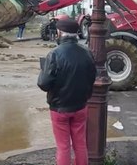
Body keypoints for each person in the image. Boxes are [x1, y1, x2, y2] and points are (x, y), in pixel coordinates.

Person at [37, 19, 97, 165]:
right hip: (81, 106)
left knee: (63, 147)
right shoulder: (87, 52)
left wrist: (43, 70)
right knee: (80, 145)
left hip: (60, 108)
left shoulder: (55, 54)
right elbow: (92, 77)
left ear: (60, 33)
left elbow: (43, 84)